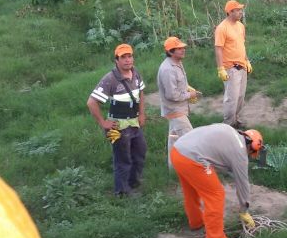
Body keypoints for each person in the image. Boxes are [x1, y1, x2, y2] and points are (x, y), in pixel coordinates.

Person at [170, 123, 263, 238]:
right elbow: (243, 184)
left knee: (191, 191)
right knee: (216, 194)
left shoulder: (230, 131)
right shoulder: (240, 153)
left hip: (177, 152)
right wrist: (244, 210)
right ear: (252, 147)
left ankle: (196, 223)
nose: (249, 156)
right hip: (192, 158)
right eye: (252, 153)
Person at [86, 43, 147, 196]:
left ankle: (134, 183)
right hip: (118, 126)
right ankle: (122, 192)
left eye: (130, 56)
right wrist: (103, 123)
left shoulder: (136, 73)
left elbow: (141, 94)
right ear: (116, 60)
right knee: (123, 159)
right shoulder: (110, 79)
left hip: (134, 122)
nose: (127, 60)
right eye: (123, 57)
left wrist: (142, 114)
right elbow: (91, 102)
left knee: (140, 152)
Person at [157, 36, 202, 167]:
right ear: (171, 52)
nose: (183, 50)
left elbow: (179, 85)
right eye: (179, 48)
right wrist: (190, 94)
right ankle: (198, 168)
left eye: (183, 48)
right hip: (175, 111)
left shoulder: (177, 62)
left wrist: (188, 89)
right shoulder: (168, 69)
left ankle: (173, 170)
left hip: (178, 109)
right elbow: (172, 95)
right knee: (191, 140)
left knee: (174, 140)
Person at [214, 0, 252, 129]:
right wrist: (221, 69)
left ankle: (236, 119)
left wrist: (247, 60)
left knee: (240, 97)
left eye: (241, 10)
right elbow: (218, 49)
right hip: (230, 68)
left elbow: (242, 44)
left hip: (242, 66)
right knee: (232, 98)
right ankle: (228, 125)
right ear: (230, 12)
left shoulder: (240, 26)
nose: (241, 12)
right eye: (238, 10)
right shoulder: (222, 28)